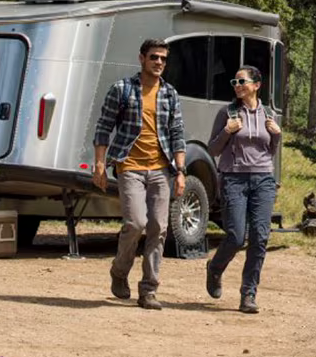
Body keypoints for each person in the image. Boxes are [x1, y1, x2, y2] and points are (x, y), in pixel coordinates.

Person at [92, 38, 185, 310]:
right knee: (135, 223)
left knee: (159, 227)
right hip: (129, 166)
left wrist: (181, 171)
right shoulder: (122, 89)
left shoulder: (170, 94)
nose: (159, 62)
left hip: (160, 169)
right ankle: (119, 271)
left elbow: (178, 134)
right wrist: (99, 164)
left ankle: (149, 290)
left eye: (163, 58)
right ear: (142, 58)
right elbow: (103, 127)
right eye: (154, 57)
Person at [204, 64, 281, 313]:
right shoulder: (227, 112)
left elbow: (271, 151)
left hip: (263, 179)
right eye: (235, 83)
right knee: (236, 237)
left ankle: (248, 294)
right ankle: (215, 268)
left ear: (256, 85)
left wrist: (277, 135)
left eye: (242, 82)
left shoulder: (268, 114)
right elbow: (213, 149)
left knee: (260, 237)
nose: (237, 86)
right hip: (234, 178)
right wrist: (227, 132)